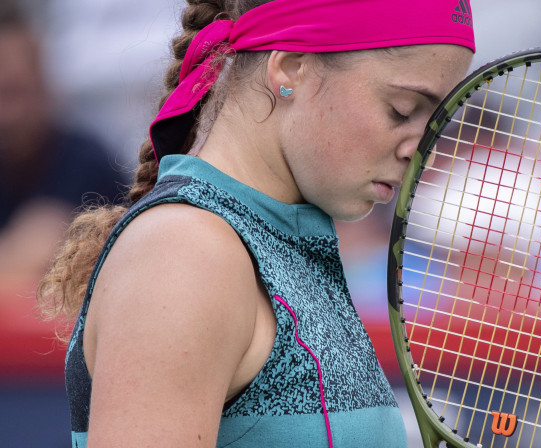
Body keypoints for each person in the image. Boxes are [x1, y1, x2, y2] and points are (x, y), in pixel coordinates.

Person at [37, 0, 476, 446]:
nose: (421, 149)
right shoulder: (185, 252)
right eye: (401, 109)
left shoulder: (274, 243)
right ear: (289, 68)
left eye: (436, 120)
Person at [0, 3, 123, 287]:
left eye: (14, 91)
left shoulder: (83, 160)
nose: (6, 113)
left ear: (43, 80)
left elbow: (32, 256)